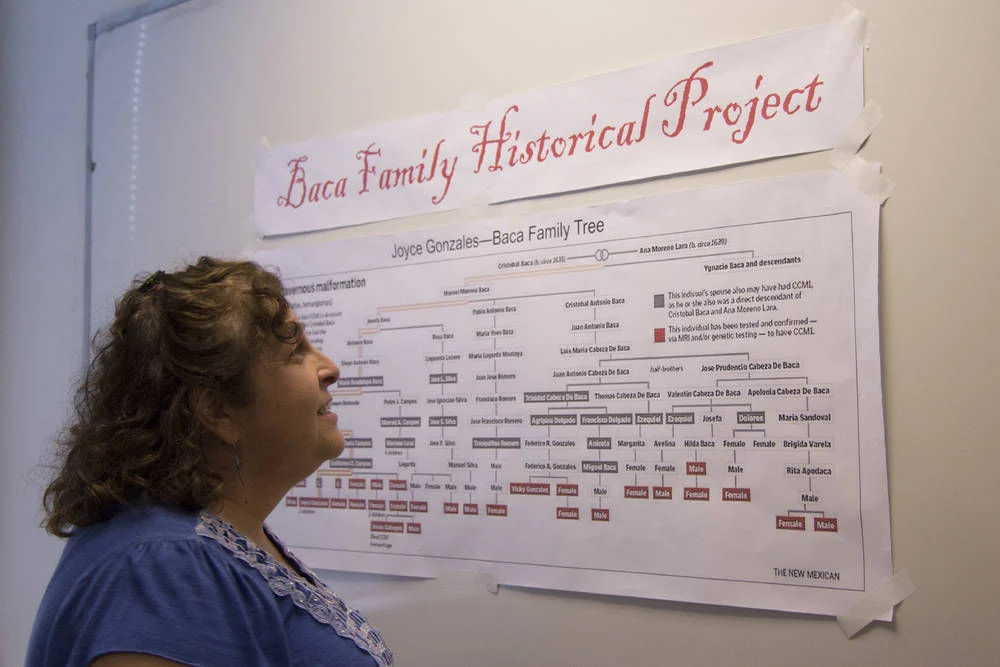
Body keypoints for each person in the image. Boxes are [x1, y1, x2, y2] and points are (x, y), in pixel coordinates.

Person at [27, 257, 393, 667]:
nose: (330, 368)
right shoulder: (162, 570)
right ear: (218, 410)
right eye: (296, 352)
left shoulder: (209, 539)